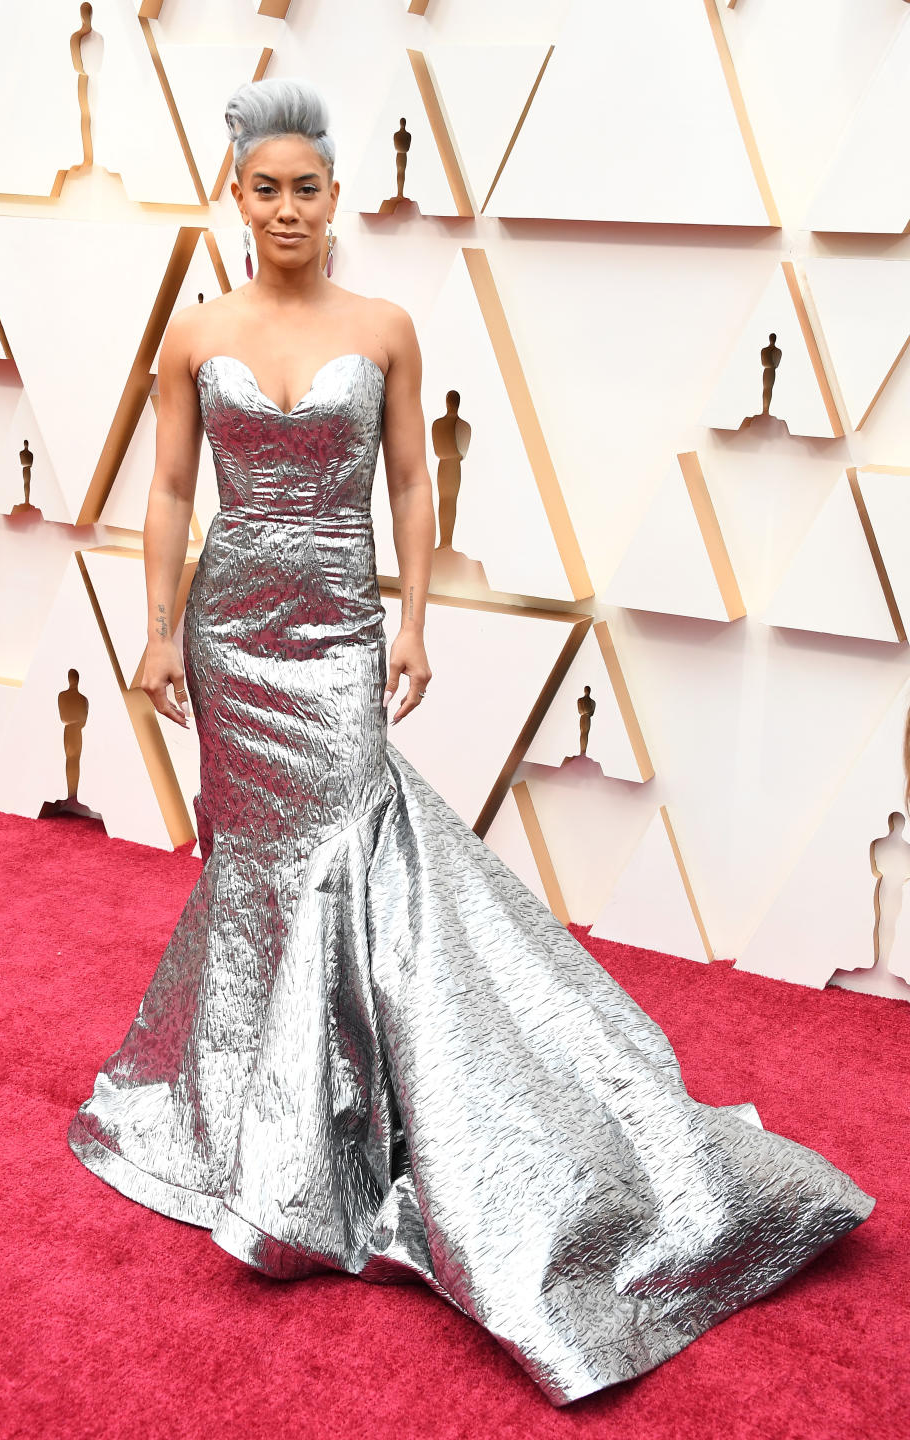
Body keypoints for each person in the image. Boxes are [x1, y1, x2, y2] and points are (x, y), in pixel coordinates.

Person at [68, 76, 875, 1407]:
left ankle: (364, 1133)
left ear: (335, 198)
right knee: (255, 872)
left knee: (346, 860)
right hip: (229, 636)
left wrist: (414, 625)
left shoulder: (384, 326)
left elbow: (408, 482)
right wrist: (156, 631)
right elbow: (163, 485)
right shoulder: (195, 328)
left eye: (306, 188)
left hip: (332, 634)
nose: (285, 209)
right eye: (263, 188)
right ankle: (260, 1132)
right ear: (237, 195)